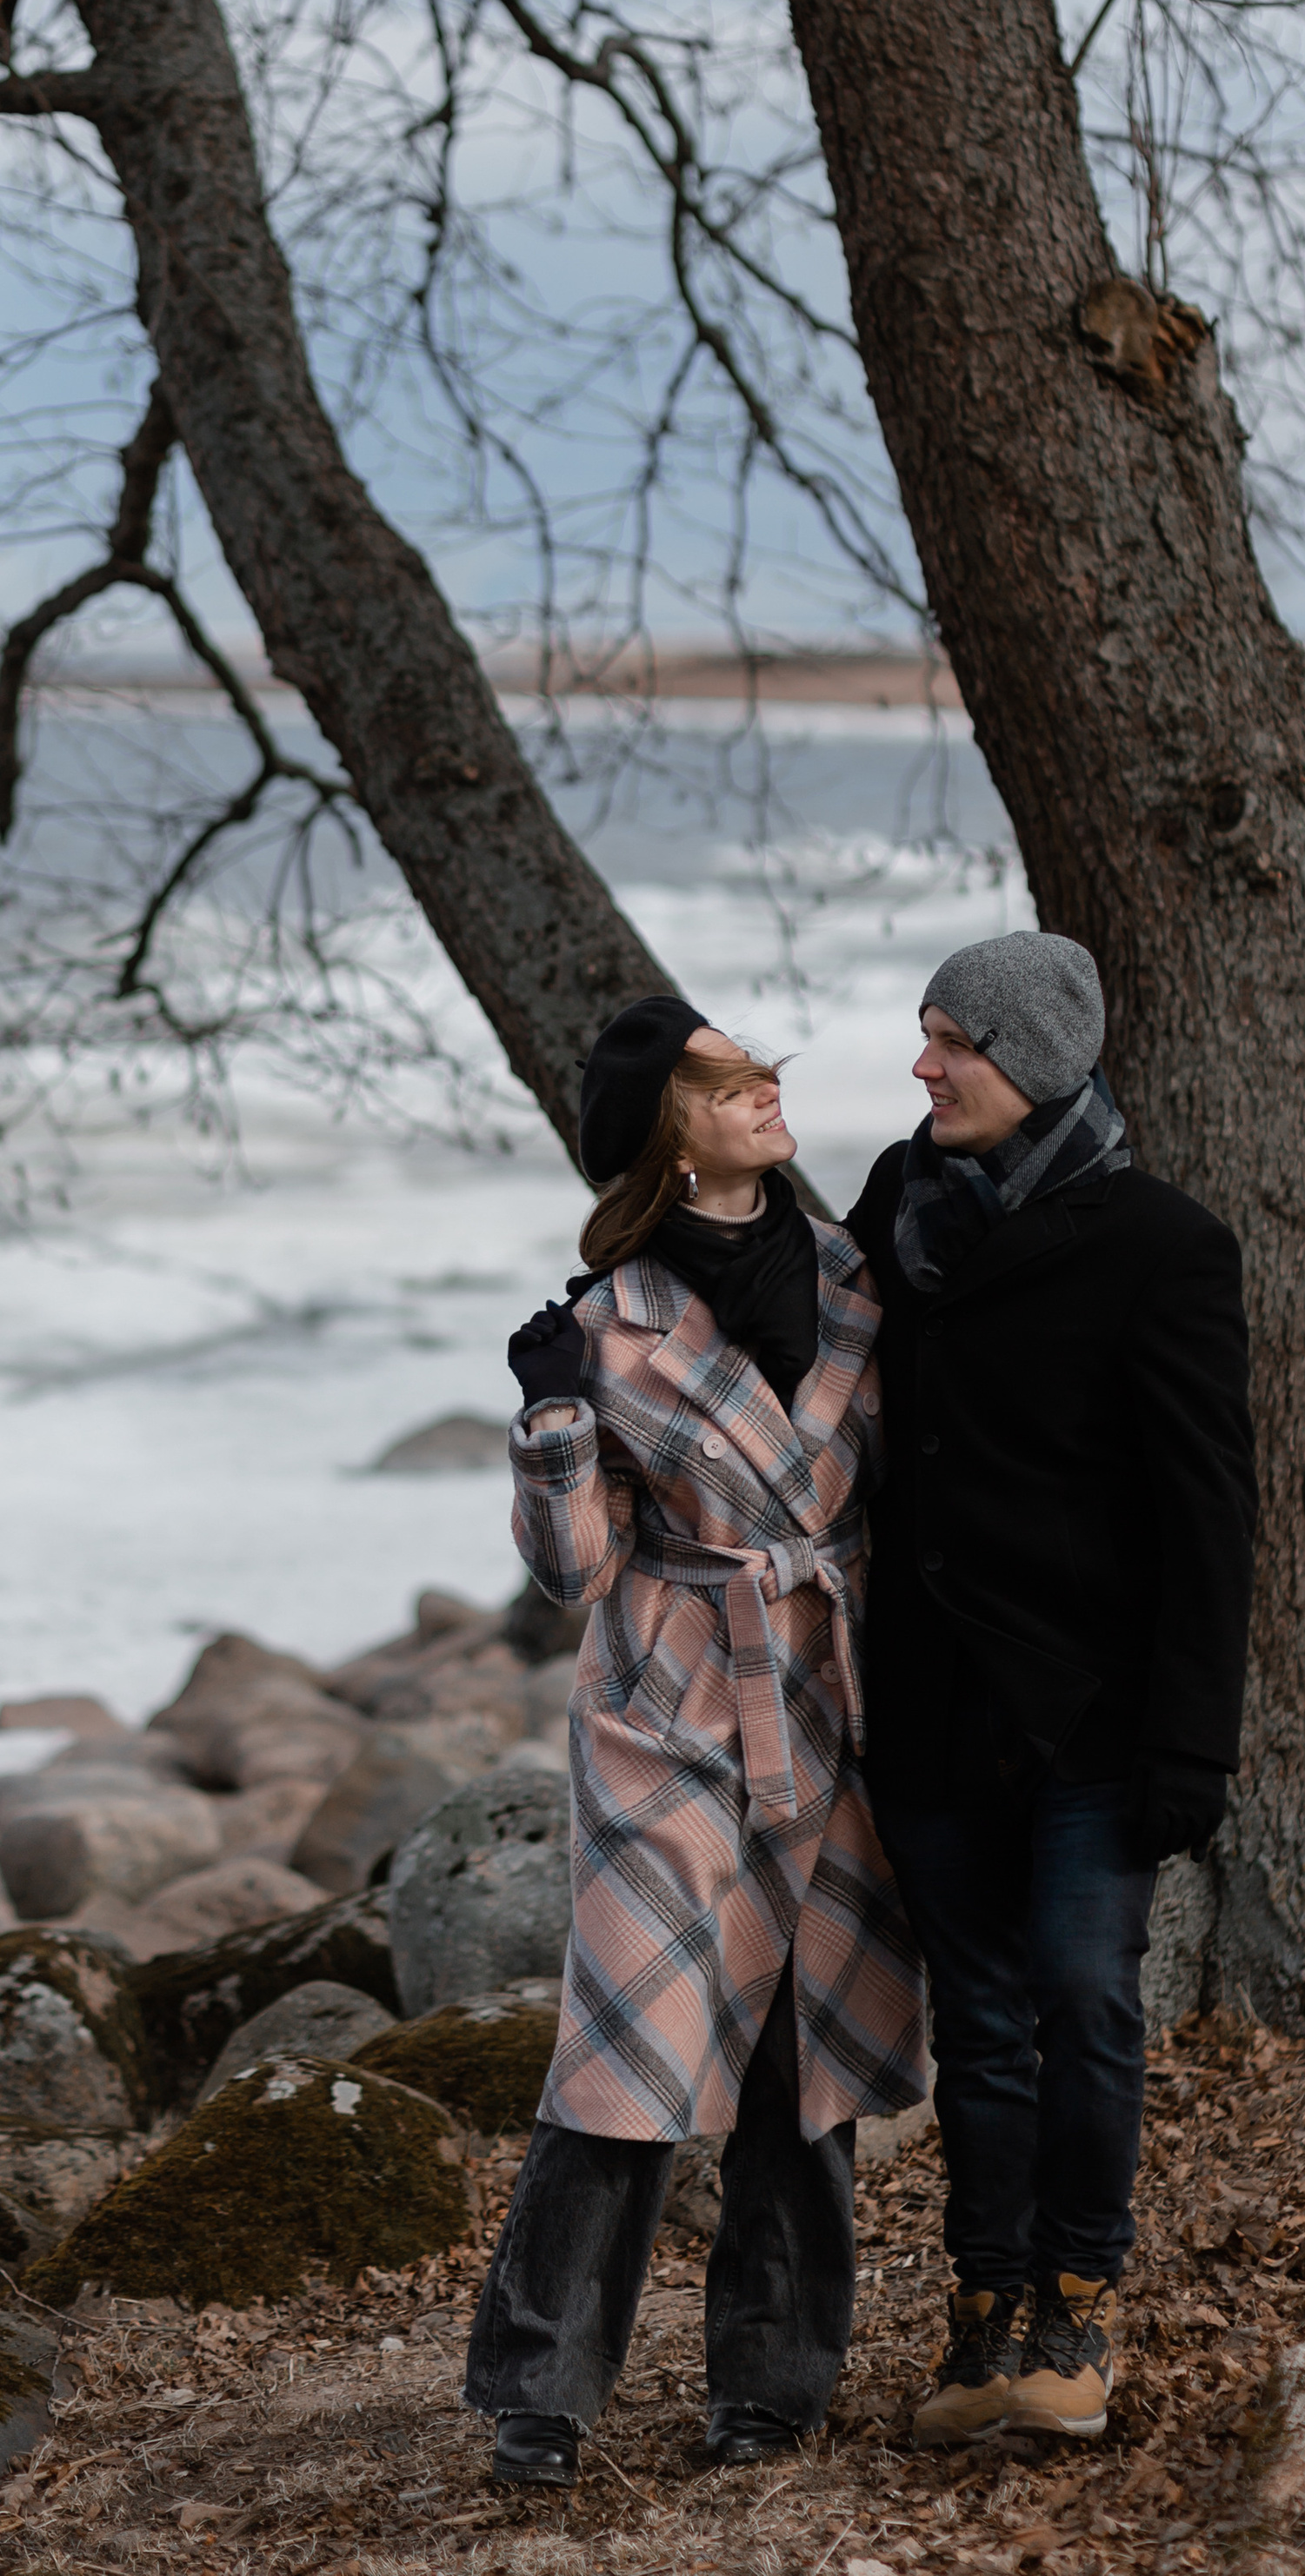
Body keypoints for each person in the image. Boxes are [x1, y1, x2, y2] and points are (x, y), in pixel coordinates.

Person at [465, 994, 928, 2489]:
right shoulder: (603, 1325)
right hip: (673, 1711)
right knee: (625, 2060)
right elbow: (572, 1571)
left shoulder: (865, 1272)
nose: (769, 1091)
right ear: (669, 1125)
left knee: (805, 2062)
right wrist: (548, 1422)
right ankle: (537, 2403)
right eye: (732, 1081)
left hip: (839, 1700)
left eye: (767, 1070)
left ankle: (772, 2393)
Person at [845, 931, 1256, 2449]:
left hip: (1091, 1716)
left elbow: (1212, 1518)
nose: (921, 1064)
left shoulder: (1164, 1247)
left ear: (1027, 1063)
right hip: (937, 1710)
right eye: (926, 1034)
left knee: (1086, 2004)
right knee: (983, 2024)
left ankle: (1076, 2310)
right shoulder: (901, 1207)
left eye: (948, 1039)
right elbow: (787, 1321)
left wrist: (1190, 1746)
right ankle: (981, 2317)